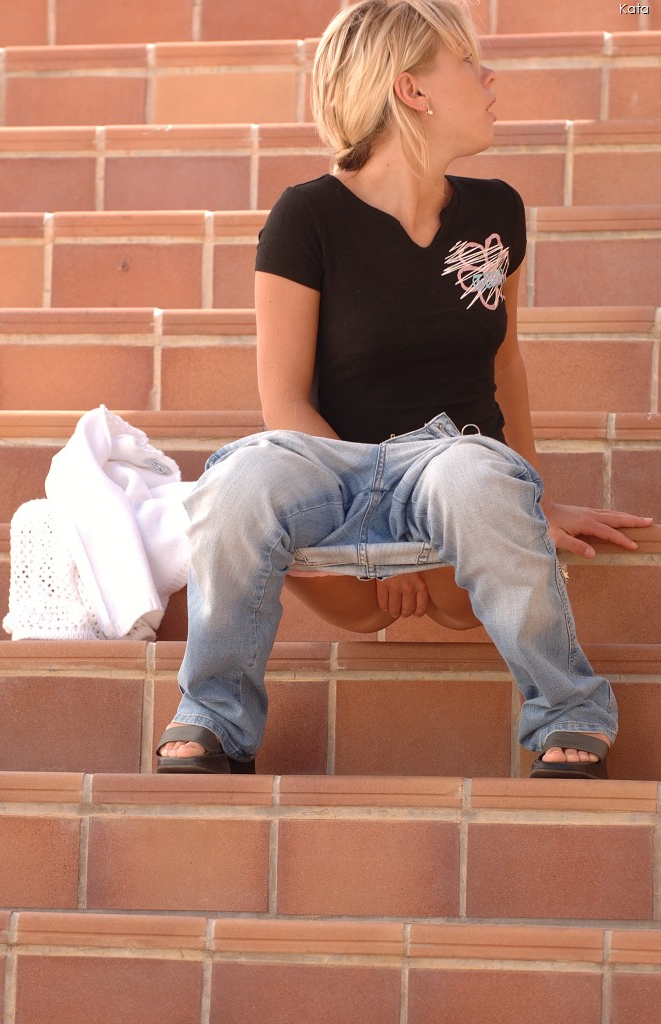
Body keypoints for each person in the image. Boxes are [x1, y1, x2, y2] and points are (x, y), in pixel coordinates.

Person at [157, 0, 651, 778]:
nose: (490, 78)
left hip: (458, 475)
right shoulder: (305, 217)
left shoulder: (496, 212)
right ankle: (212, 717)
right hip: (338, 478)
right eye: (469, 62)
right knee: (241, 476)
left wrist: (533, 494)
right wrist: (375, 540)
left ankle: (570, 710)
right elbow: (285, 402)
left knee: (474, 471)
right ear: (412, 90)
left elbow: (505, 363)